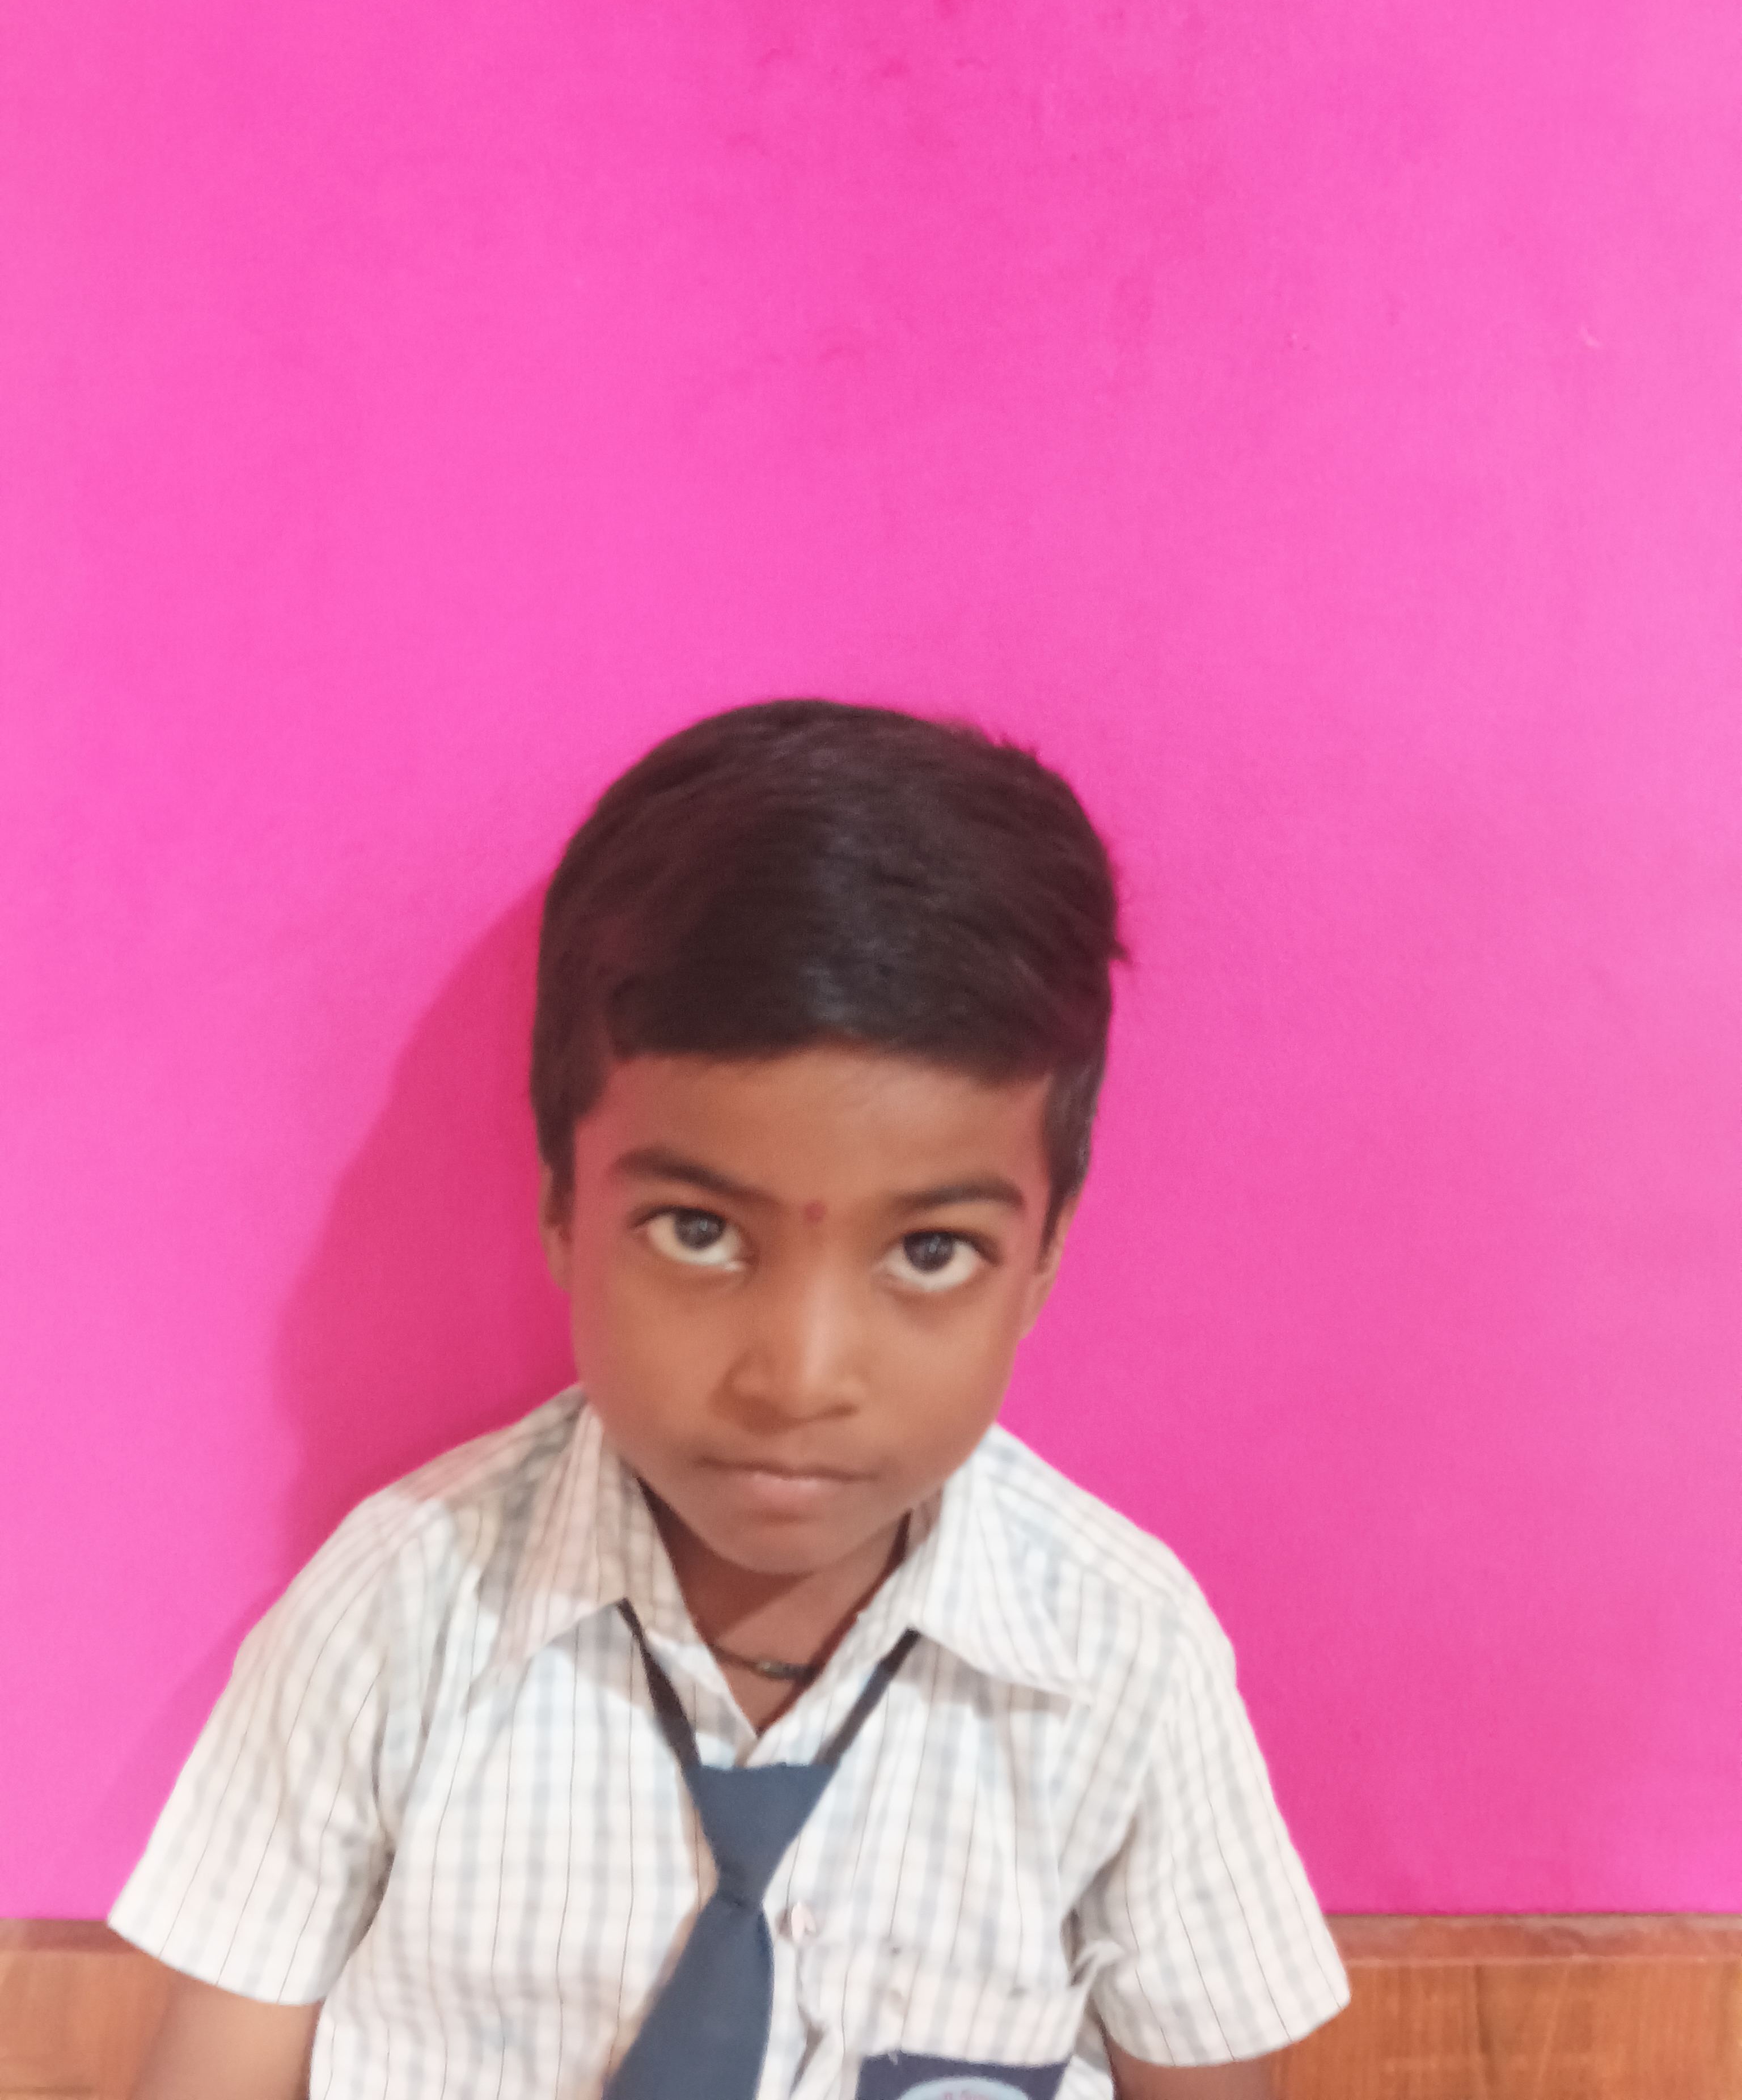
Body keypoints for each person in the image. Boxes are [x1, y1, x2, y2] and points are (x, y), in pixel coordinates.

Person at [114, 700, 1349, 2099]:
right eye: (699, 1231)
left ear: (1046, 1256)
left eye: (929, 1251)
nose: (799, 1377)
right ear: (564, 1208)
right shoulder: (392, 1621)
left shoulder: (1127, 1660)